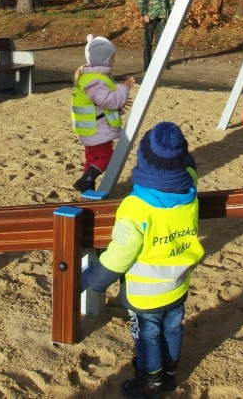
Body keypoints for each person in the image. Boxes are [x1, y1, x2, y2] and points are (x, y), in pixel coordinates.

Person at [81, 122, 204, 398]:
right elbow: (191, 168)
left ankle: (150, 381)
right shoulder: (189, 191)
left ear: (143, 163)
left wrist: (98, 280)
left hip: (145, 293)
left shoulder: (136, 207)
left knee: (148, 335)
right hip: (177, 283)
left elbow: (121, 253)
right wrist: (179, 150)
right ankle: (170, 373)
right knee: (172, 327)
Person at [71, 34, 135, 192]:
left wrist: (117, 110)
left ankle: (88, 192)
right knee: (108, 158)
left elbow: (99, 106)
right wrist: (124, 88)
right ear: (103, 59)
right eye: (112, 58)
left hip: (90, 129)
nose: (114, 61)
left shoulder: (89, 78)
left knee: (92, 160)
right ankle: (86, 179)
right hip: (98, 132)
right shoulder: (96, 81)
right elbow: (111, 101)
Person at [136, 0, 173, 71]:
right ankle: (147, 65)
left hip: (162, 15)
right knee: (148, 42)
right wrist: (144, 13)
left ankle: (159, 64)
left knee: (161, 41)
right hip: (150, 16)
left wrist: (171, 14)